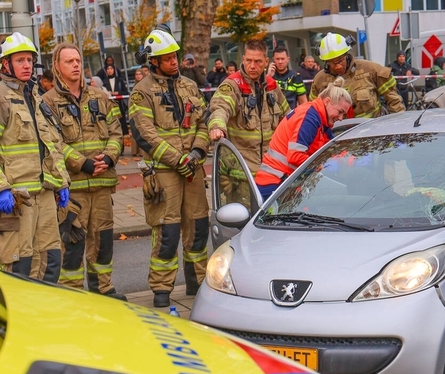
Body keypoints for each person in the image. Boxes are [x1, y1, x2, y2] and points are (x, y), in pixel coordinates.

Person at [0, 32, 70, 281]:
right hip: (17, 198)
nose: (27, 65)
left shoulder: (34, 96)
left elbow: (52, 144)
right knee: (20, 267)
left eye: (29, 60)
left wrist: (62, 182)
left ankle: (46, 307)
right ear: (6, 64)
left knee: (50, 262)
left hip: (45, 195)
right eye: (20, 60)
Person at [130, 29, 211, 308]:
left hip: (193, 169)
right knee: (167, 232)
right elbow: (146, 135)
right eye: (167, 58)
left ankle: (197, 281)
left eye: (175, 56)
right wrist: (179, 160)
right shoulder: (141, 93)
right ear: (153, 61)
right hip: (165, 173)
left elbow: (203, 122)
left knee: (198, 227)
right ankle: (162, 287)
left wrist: (197, 153)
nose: (174, 61)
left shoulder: (189, 86)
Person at [44, 42, 125, 298]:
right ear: (57, 66)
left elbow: (117, 132)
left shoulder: (100, 97)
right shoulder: (47, 102)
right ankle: (72, 295)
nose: (76, 65)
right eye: (69, 61)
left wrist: (109, 157)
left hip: (102, 184)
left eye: (78, 60)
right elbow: (53, 142)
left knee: (103, 241)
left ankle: (104, 289)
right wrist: (84, 163)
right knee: (73, 244)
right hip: (73, 188)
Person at [254, 78, 352, 200]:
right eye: (340, 112)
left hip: (283, 182)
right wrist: (323, 166)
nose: (341, 118)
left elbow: (333, 148)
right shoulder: (310, 118)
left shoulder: (320, 119)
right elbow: (295, 156)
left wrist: (350, 159)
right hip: (275, 184)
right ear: (327, 102)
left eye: (344, 114)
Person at [208, 39, 288, 177]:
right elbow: (220, 108)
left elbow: (288, 118)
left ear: (266, 62)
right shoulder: (232, 85)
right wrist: (217, 126)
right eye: (248, 60)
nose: (252, 66)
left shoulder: (272, 86)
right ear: (243, 59)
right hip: (241, 174)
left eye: (258, 61)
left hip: (270, 171)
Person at [310, 32, 404, 118]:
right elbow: (313, 110)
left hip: (373, 128)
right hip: (338, 131)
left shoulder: (370, 69)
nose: (338, 66)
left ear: (346, 55)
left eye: (340, 60)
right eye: (332, 63)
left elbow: (394, 100)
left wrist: (397, 124)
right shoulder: (319, 80)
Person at [268, 44, 307, 109]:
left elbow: (303, 102)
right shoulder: (267, 76)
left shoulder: (296, 77)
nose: (280, 62)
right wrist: (268, 77)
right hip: (272, 113)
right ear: (273, 59)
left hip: (290, 113)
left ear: (287, 59)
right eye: (277, 59)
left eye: (282, 59)